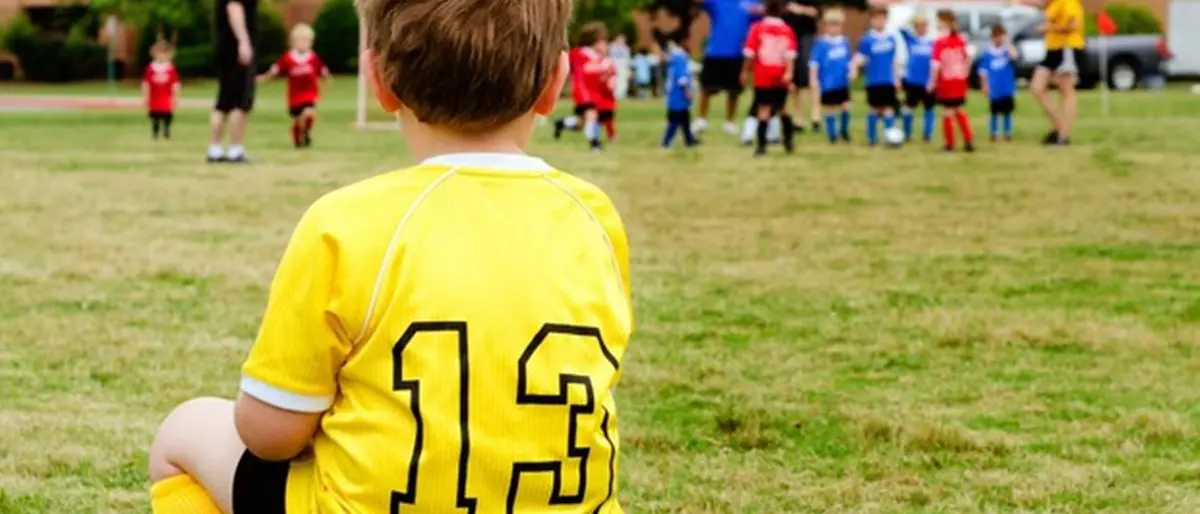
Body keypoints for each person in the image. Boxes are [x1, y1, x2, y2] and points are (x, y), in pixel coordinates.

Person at [146, 0, 634, 513]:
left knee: (184, 431)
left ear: (378, 80)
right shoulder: (595, 217)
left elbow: (271, 434)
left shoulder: (347, 221)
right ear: (555, 83)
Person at [257, 24, 332, 149]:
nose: (304, 43)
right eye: (301, 40)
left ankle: (306, 132)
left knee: (309, 114)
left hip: (309, 94)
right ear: (293, 42)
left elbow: (323, 69)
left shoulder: (313, 57)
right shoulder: (288, 58)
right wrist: (264, 77)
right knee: (298, 119)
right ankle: (298, 135)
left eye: (307, 41)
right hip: (294, 97)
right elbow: (275, 70)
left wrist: (327, 78)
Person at [695, 0, 761, 135]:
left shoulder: (752, 3)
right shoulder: (717, 2)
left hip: (737, 52)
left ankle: (730, 122)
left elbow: (765, 13)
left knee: (734, 91)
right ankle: (701, 120)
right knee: (706, 88)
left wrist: (760, 11)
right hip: (715, 51)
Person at [742, 0, 798, 156]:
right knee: (783, 108)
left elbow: (749, 53)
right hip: (780, 74)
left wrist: (745, 71)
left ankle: (761, 146)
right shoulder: (787, 30)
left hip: (763, 75)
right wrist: (789, 72)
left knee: (763, 109)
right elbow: (790, 55)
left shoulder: (757, 28)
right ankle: (788, 140)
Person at [208, 0, 259, 163]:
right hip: (236, 51)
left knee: (223, 102)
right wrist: (243, 41)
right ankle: (235, 149)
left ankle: (214, 149)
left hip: (225, 48)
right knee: (240, 101)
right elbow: (234, 7)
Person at [1030, 0, 1084, 145]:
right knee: (1037, 87)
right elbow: (1042, 4)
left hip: (1067, 47)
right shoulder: (1053, 3)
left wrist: (1049, 27)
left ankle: (1063, 135)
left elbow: (1074, 25)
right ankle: (1059, 127)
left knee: (1066, 89)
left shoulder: (1068, 2)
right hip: (1053, 49)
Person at [553, 22, 609, 151]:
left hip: (593, 93)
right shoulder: (579, 53)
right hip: (583, 92)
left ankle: (562, 123)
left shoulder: (597, 57)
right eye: (601, 41)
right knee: (591, 115)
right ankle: (594, 143)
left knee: (581, 123)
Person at [852, 6, 900, 146]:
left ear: (886, 20)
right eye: (876, 19)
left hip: (888, 80)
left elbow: (894, 60)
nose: (879, 22)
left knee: (889, 109)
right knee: (874, 108)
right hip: (873, 80)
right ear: (872, 20)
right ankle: (871, 139)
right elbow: (860, 57)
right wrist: (854, 69)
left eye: (882, 19)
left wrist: (896, 78)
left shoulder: (891, 38)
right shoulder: (867, 39)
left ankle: (890, 138)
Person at [929, 8, 974, 152]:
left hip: (947, 81)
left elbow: (936, 65)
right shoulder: (960, 39)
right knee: (959, 110)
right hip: (959, 81)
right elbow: (968, 60)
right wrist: (964, 75)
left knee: (947, 112)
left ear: (943, 22)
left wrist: (932, 82)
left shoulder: (940, 41)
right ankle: (968, 140)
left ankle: (950, 144)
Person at [809, 8, 852, 144]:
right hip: (827, 82)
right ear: (826, 26)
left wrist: (851, 70)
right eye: (831, 24)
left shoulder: (844, 42)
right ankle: (832, 134)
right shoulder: (821, 44)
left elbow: (848, 61)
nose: (834, 28)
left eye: (837, 25)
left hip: (842, 82)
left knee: (846, 106)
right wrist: (813, 79)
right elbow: (814, 64)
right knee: (830, 107)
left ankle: (844, 131)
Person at [783, 0, 821, 132]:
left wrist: (801, 9)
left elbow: (817, 12)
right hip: (790, 37)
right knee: (794, 82)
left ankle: (816, 117)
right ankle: (799, 119)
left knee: (811, 78)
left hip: (807, 38)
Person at [899, 15, 935, 143]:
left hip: (927, 81)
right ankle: (906, 132)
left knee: (929, 108)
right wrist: (911, 19)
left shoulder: (932, 42)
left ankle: (927, 134)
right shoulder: (911, 39)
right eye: (918, 25)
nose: (921, 28)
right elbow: (901, 28)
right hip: (912, 80)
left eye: (923, 25)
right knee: (909, 107)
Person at [980, 23, 1018, 142]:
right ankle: (994, 132)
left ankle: (1007, 132)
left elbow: (1015, 56)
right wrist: (985, 86)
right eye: (996, 36)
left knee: (1007, 111)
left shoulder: (1006, 51)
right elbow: (983, 72)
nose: (998, 39)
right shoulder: (988, 54)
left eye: (1001, 36)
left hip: (1006, 87)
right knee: (994, 112)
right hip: (994, 88)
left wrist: (1007, 43)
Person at [662, 36, 700, 148]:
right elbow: (681, 77)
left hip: (677, 93)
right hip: (678, 94)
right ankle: (666, 141)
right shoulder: (679, 58)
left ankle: (689, 139)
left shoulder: (678, 57)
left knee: (685, 118)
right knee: (675, 119)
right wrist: (687, 91)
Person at [142, 41, 180, 141]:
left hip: (166, 97)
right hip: (155, 97)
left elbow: (175, 84)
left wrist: (176, 98)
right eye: (159, 53)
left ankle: (166, 130)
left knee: (167, 115)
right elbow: (146, 84)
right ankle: (155, 131)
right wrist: (145, 97)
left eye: (164, 53)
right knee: (155, 116)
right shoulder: (151, 68)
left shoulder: (170, 68)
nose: (161, 55)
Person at [609, 34, 632, 100]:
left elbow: (628, 59)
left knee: (623, 81)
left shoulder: (626, 48)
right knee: (615, 80)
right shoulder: (612, 47)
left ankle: (622, 94)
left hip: (623, 66)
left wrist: (629, 69)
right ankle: (615, 95)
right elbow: (611, 57)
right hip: (615, 65)